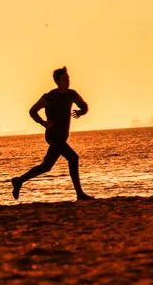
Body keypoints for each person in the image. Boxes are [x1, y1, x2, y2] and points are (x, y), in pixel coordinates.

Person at [11, 67, 94, 201]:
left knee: (46, 166)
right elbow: (32, 110)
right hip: (53, 135)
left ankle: (19, 181)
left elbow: (84, 106)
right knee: (73, 158)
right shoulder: (49, 97)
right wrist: (43, 123)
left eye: (68, 78)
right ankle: (79, 193)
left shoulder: (72, 94)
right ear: (57, 81)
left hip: (62, 136)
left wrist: (80, 112)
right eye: (64, 79)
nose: (67, 81)